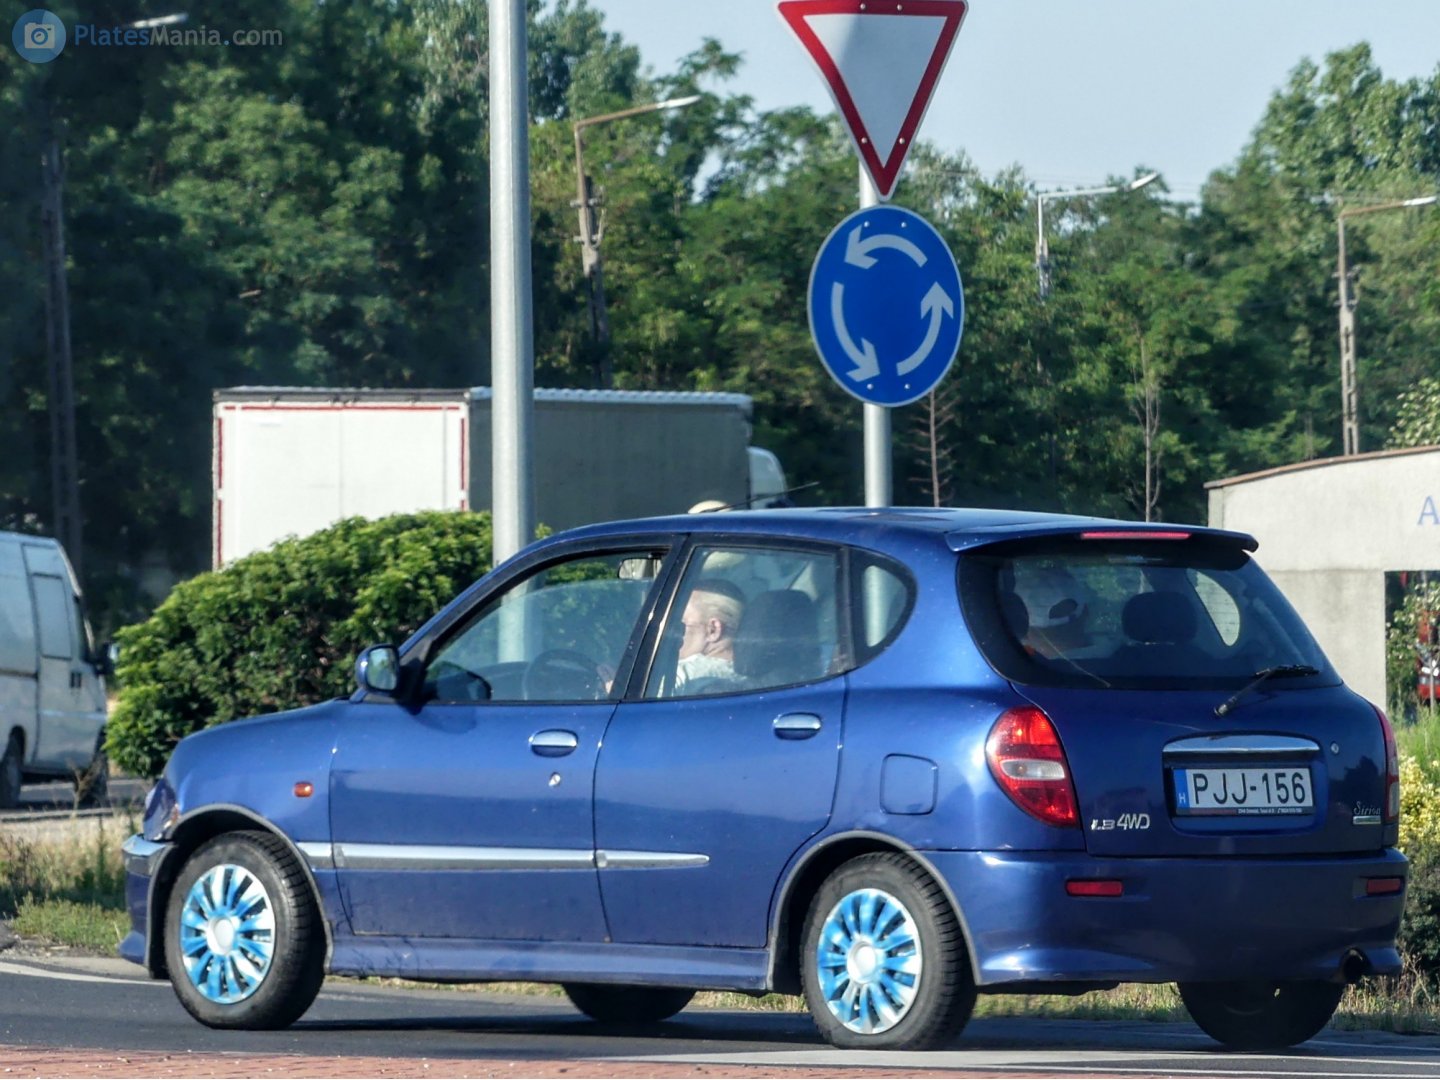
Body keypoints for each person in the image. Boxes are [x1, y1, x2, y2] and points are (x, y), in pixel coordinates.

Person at [675, 578, 745, 694]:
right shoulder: (771, 678)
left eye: (680, 623)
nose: (669, 630)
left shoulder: (679, 677)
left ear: (713, 630)